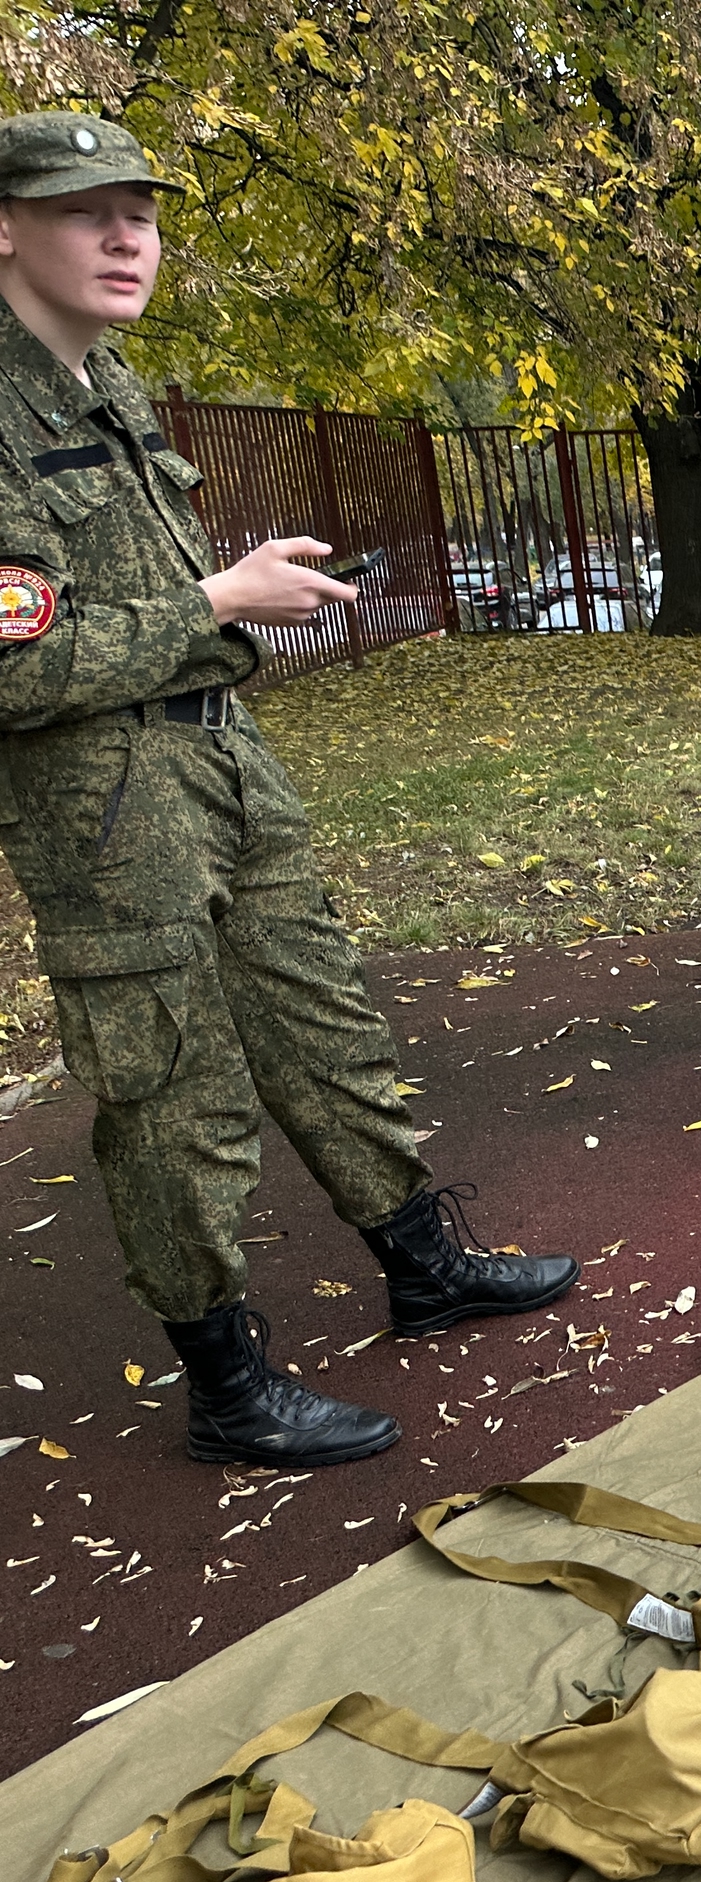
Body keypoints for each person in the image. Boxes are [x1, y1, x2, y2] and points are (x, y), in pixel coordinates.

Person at [0, 112, 579, 1471]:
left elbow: (128, 605)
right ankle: (225, 1380)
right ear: (7, 227)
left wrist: (235, 601)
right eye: (88, 209)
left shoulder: (111, 390)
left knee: (324, 1024)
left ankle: (421, 1260)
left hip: (220, 763)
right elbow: (14, 671)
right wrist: (216, 598)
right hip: (105, 810)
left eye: (138, 208)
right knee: (171, 1089)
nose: (127, 233)